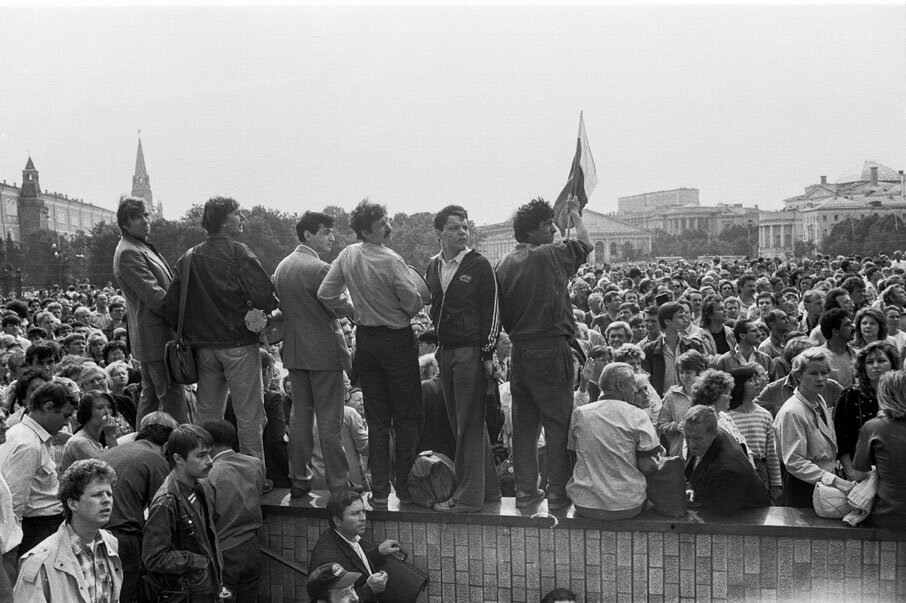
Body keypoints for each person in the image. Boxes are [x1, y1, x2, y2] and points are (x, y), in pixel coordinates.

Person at [318, 200, 424, 508]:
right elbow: (413, 304)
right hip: (397, 341)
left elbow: (326, 293)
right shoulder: (392, 260)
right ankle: (403, 487)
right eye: (382, 223)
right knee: (406, 418)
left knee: (377, 421)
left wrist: (352, 310)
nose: (388, 227)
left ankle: (379, 491)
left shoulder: (348, 254)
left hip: (366, 341)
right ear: (367, 229)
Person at [163, 197, 279, 464]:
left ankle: (206, 470)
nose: (243, 218)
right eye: (238, 214)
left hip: (203, 351)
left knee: (207, 418)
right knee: (250, 415)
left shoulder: (188, 258)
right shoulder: (239, 252)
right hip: (239, 345)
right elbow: (266, 297)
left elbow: (170, 307)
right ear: (224, 221)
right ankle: (253, 474)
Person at [494, 196, 591, 510]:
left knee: (524, 427)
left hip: (520, 352)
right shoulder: (550, 254)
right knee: (557, 423)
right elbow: (585, 243)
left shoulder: (505, 262)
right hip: (550, 348)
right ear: (533, 230)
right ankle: (556, 492)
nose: (553, 229)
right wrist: (575, 215)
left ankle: (525, 491)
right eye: (548, 224)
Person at [425, 205, 501, 513]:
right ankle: (489, 491)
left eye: (465, 227)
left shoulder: (479, 264)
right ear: (440, 232)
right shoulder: (433, 266)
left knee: (469, 422)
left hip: (471, 350)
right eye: (455, 227)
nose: (462, 232)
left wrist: (487, 353)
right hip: (446, 351)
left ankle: (468, 497)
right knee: (463, 423)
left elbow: (493, 311)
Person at [274, 211, 353, 498]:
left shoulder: (282, 267)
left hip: (295, 353)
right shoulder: (321, 268)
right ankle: (340, 484)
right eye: (326, 232)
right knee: (331, 423)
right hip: (324, 354)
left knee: (299, 420)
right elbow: (341, 307)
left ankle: (299, 479)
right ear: (308, 234)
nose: (332, 237)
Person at [113, 196, 189, 424]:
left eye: (147, 215)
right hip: (156, 338)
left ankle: (142, 442)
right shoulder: (129, 252)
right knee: (172, 399)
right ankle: (180, 446)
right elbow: (156, 298)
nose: (146, 221)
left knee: (152, 399)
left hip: (152, 337)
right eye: (138, 217)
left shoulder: (137, 245)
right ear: (125, 224)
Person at [13, 459, 122, 602]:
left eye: (109, 494)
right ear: (73, 504)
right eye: (97, 494)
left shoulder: (109, 544)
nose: (106, 500)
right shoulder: (40, 562)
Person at [567, 363, 662, 520]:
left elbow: (572, 456)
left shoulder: (580, 414)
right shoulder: (637, 415)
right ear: (620, 385)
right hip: (627, 505)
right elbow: (648, 466)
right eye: (633, 385)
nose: (634, 390)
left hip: (584, 505)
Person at [143, 424, 226, 601]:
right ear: (178, 459)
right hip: (187, 594)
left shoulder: (197, 487)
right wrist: (195, 561)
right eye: (201, 455)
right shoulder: (166, 501)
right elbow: (153, 558)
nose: (210, 461)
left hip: (205, 588)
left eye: (209, 454)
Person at [97, 418, 174, 603]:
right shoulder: (155, 459)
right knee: (126, 594)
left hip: (94, 534)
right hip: (124, 537)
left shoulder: (105, 454)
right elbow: (162, 510)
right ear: (165, 447)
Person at [0, 382, 75, 556]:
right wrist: (12, 547)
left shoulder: (23, 434)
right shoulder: (28, 444)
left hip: (42, 526)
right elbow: (14, 502)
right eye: (65, 416)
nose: (65, 424)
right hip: (37, 529)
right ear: (48, 407)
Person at [773, 347, 854, 508]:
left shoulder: (819, 401)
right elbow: (794, 462)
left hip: (823, 484)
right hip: (803, 487)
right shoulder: (793, 411)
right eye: (813, 373)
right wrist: (835, 481)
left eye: (824, 373)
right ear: (798, 375)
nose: (821, 378)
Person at [201, 420, 265, 603]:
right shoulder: (255, 463)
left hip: (224, 551)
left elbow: (206, 517)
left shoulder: (208, 474)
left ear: (208, 443)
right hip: (252, 545)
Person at [307, 489, 404, 602]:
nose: (363, 518)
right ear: (337, 521)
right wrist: (368, 589)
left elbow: (355, 564)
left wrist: (378, 552)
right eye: (355, 513)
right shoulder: (327, 561)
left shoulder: (344, 535)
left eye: (363, 511)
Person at [683, 406, 771, 514]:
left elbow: (722, 511)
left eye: (697, 439)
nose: (691, 444)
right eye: (687, 437)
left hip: (748, 518)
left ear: (714, 433)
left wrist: (697, 496)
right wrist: (693, 489)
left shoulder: (728, 469)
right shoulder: (702, 432)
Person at [833, 340, 899, 480]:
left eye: (881, 361)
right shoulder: (850, 395)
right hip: (859, 472)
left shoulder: (900, 394)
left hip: (894, 473)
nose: (875, 366)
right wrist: (850, 472)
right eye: (869, 362)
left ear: (892, 364)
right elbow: (841, 437)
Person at [852, 371, 906, 530]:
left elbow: (858, 474)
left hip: (888, 514)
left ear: (882, 395)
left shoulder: (874, 427)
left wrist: (878, 470)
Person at [727, 364, 782, 500]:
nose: (757, 383)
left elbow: (771, 452)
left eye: (758, 379)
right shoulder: (726, 415)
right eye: (751, 380)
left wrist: (776, 483)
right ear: (739, 385)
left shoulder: (764, 415)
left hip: (760, 471)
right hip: (734, 471)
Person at [641, 301, 706, 397]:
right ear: (667, 321)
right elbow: (646, 380)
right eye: (680, 317)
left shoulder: (693, 346)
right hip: (661, 400)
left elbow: (702, 374)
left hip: (690, 397)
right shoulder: (650, 350)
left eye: (685, 316)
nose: (686, 320)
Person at [657, 349, 709, 457]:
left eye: (689, 372)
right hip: (679, 453)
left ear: (699, 373)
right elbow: (661, 425)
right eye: (681, 372)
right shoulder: (672, 395)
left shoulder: (708, 394)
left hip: (705, 451)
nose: (684, 376)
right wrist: (676, 427)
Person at [60, 391, 119, 472]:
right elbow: (111, 469)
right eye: (99, 408)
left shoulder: (94, 439)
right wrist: (110, 436)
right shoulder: (81, 442)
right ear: (87, 412)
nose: (107, 412)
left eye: (109, 407)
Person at [816, 308, 857, 388]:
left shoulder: (857, 355)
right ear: (835, 331)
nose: (853, 328)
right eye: (847, 325)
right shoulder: (818, 357)